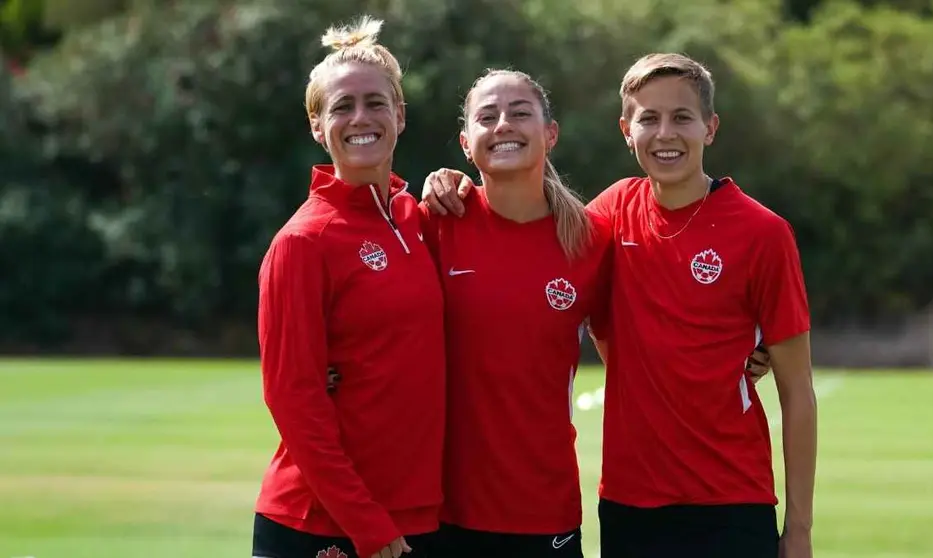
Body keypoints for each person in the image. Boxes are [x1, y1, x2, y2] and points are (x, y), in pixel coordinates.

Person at [421, 53, 814, 558]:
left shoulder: (763, 233)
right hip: (629, 505)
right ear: (627, 131)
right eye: (649, 118)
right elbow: (547, 261)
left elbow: (798, 392)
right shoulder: (610, 216)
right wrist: (448, 179)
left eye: (682, 117)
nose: (665, 133)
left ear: (710, 128)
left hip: (732, 501)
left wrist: (799, 530)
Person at [253, 16, 444, 558]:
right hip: (326, 525)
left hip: (419, 516)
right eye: (342, 107)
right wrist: (366, 522)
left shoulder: (417, 219)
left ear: (400, 115)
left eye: (375, 103)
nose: (361, 118)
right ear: (318, 126)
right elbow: (293, 398)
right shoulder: (303, 241)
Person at [419, 68, 612, 558]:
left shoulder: (592, 241)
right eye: (487, 117)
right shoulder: (432, 225)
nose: (503, 124)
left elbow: (645, 342)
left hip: (545, 511)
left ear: (551, 133)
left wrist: (746, 355)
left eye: (520, 113)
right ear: (466, 143)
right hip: (439, 513)